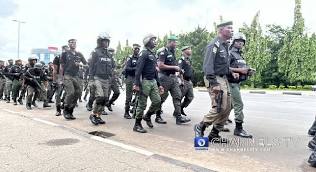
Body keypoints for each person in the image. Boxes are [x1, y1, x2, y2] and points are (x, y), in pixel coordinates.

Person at [194, 21, 238, 143]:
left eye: (232, 28)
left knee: (228, 107)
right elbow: (208, 66)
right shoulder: (214, 45)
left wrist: (230, 72)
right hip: (214, 78)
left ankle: (214, 134)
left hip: (223, 78)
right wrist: (214, 83)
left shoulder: (224, 46)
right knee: (219, 106)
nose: (232, 30)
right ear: (221, 30)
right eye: (229, 28)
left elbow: (222, 65)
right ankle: (201, 126)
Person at [156, 35, 190, 125]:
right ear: (170, 42)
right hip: (164, 77)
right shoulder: (163, 52)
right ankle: (157, 116)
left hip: (173, 78)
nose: (176, 44)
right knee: (161, 98)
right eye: (175, 42)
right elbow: (160, 65)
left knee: (177, 96)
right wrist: (174, 67)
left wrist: (178, 69)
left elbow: (173, 64)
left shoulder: (173, 52)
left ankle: (179, 118)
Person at [133, 34, 164, 133]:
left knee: (157, 101)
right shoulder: (144, 53)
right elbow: (138, 69)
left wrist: (159, 85)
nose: (155, 41)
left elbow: (155, 72)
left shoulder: (153, 54)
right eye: (153, 40)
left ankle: (147, 116)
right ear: (147, 41)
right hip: (145, 81)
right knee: (142, 104)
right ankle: (137, 124)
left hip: (153, 81)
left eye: (155, 40)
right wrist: (136, 84)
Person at [227, 32, 253, 138]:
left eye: (242, 42)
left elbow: (241, 68)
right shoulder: (230, 53)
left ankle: (218, 123)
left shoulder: (240, 55)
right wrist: (240, 70)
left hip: (237, 84)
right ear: (233, 42)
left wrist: (248, 71)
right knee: (239, 104)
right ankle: (238, 128)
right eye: (238, 41)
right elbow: (225, 68)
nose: (240, 43)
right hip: (231, 83)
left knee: (230, 105)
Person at [88, 32, 114, 125]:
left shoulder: (109, 54)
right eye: (104, 41)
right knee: (100, 97)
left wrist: (111, 77)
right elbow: (90, 66)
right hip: (97, 78)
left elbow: (111, 66)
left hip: (106, 79)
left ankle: (98, 116)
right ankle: (93, 114)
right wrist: (91, 80)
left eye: (107, 41)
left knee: (105, 99)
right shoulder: (95, 52)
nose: (106, 43)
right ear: (100, 42)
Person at [60, 39, 87, 120]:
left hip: (76, 76)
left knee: (78, 93)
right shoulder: (65, 54)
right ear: (68, 44)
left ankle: (71, 111)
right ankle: (65, 109)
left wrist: (80, 64)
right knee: (71, 92)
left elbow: (86, 65)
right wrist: (61, 78)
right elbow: (61, 66)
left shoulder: (79, 54)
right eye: (71, 42)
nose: (73, 44)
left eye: (74, 42)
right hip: (67, 75)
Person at [123, 44, 140, 119]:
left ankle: (134, 110)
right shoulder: (130, 58)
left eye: (138, 49)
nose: (137, 50)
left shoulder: (140, 58)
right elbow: (127, 68)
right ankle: (126, 112)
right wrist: (136, 68)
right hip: (130, 78)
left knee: (138, 95)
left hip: (137, 78)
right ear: (133, 50)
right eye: (135, 49)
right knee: (129, 96)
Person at [53, 45, 69, 116]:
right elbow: (55, 70)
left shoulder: (70, 57)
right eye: (65, 49)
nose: (66, 50)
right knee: (58, 94)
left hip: (68, 76)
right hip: (60, 76)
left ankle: (64, 106)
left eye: (67, 49)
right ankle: (58, 109)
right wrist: (54, 81)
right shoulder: (57, 57)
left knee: (69, 93)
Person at [178, 46, 194, 117]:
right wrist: (181, 81)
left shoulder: (189, 60)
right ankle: (177, 112)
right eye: (189, 49)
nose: (191, 50)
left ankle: (181, 108)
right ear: (184, 51)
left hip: (189, 81)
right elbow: (179, 71)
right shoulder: (181, 60)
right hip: (183, 80)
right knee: (179, 97)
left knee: (190, 97)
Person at [106, 48, 120, 112]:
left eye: (112, 52)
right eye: (110, 51)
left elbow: (115, 68)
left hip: (113, 78)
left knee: (117, 92)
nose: (111, 53)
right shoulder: (105, 58)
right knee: (106, 94)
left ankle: (109, 103)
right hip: (106, 78)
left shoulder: (113, 60)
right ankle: (102, 108)